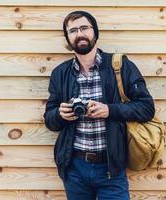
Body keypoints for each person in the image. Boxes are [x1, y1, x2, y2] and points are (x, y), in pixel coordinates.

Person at [43, 10, 155, 200]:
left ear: (95, 32)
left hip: (111, 166)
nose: (80, 34)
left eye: (84, 28)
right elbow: (50, 121)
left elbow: (147, 108)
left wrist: (109, 110)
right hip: (75, 168)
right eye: (73, 30)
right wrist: (59, 114)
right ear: (68, 38)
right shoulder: (60, 74)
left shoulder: (120, 65)